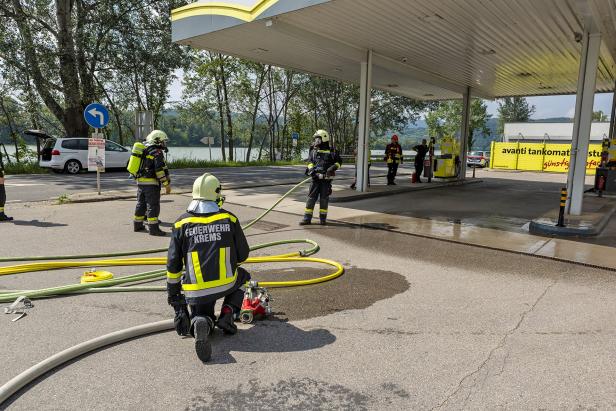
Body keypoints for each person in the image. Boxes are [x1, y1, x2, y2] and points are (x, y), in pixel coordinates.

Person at [166, 173, 250, 363]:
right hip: (227, 282)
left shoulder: (181, 223)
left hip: (196, 288)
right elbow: (244, 255)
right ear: (216, 194)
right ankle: (228, 314)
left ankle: (202, 322)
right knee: (244, 277)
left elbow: (173, 264)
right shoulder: (230, 219)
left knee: (201, 314)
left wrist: (175, 298)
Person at [300, 130, 342, 226]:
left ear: (323, 138)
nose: (315, 141)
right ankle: (307, 219)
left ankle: (323, 219)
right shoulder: (313, 151)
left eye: (317, 139)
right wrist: (312, 171)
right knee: (311, 198)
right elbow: (310, 163)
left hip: (326, 181)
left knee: (324, 199)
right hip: (315, 180)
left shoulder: (333, 152)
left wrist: (333, 168)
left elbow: (339, 162)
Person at [133, 130, 171, 236]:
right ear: (157, 141)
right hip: (151, 184)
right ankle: (153, 228)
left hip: (140, 182)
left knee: (141, 204)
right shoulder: (156, 152)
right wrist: (166, 184)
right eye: (163, 141)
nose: (164, 144)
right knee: (153, 205)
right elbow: (159, 170)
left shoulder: (145, 149)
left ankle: (138, 224)